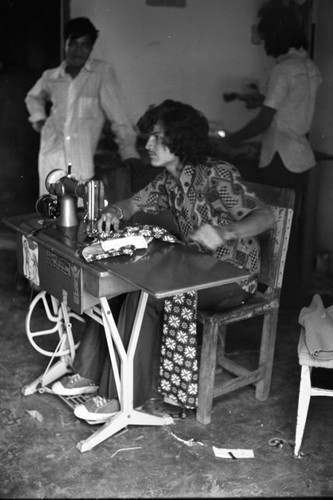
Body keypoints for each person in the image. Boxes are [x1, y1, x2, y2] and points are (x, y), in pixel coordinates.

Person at [51, 99, 275, 422]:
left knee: (148, 296)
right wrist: (115, 211)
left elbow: (265, 216)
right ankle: (87, 371)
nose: (148, 144)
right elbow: (131, 204)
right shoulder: (169, 181)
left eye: (157, 137)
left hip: (233, 277)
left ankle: (121, 397)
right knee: (122, 282)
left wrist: (226, 231)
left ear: (180, 139)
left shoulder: (216, 175)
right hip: (198, 271)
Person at [25, 17, 140, 196]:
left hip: (80, 161)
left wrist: (129, 150)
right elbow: (32, 98)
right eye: (73, 43)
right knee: (50, 210)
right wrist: (39, 120)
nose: (78, 50)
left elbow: (118, 114)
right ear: (65, 44)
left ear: (91, 48)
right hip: (51, 155)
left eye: (85, 44)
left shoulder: (100, 72)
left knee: (79, 212)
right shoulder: (51, 76)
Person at [218, 2, 322, 190]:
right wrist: (262, 100)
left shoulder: (282, 70)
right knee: (288, 214)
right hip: (301, 158)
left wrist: (230, 141)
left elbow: (263, 122)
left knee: (273, 214)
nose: (265, 45)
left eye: (265, 39)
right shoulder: (309, 67)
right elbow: (292, 103)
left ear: (276, 37)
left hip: (281, 159)